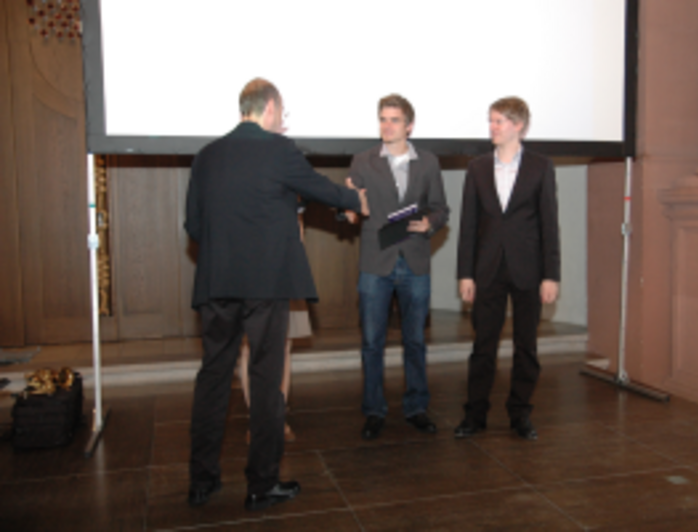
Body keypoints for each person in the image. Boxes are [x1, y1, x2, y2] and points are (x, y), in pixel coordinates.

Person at [184, 78, 368, 511]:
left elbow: (193, 225)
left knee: (213, 377)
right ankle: (261, 484)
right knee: (267, 377)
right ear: (269, 108)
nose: (282, 120)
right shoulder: (279, 150)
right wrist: (354, 198)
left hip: (217, 282)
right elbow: (320, 189)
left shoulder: (206, 155)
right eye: (281, 113)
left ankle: (201, 481)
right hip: (266, 284)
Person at [454, 97, 560, 441]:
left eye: (499, 121)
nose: (493, 127)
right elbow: (468, 225)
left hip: (529, 270)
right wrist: (465, 273)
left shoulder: (541, 167)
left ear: (519, 126)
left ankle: (520, 414)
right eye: (491, 120)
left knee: (526, 347)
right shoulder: (477, 168)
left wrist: (551, 275)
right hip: (487, 270)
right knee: (483, 347)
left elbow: (549, 225)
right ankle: (474, 415)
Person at [346, 94, 449, 440]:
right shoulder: (363, 160)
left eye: (394, 120)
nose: (386, 126)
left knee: (415, 341)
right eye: (382, 119)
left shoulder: (428, 162)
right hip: (376, 262)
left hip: (415, 261)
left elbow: (441, 208)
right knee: (372, 342)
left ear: (409, 126)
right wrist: (347, 206)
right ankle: (374, 411)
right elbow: (350, 210)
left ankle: (417, 407)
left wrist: (430, 223)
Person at [239, 208, 311, 443]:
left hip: (286, 271)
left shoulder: (292, 191)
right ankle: (256, 420)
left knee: (284, 347)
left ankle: (277, 419)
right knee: (248, 348)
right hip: (248, 272)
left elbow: (299, 232)